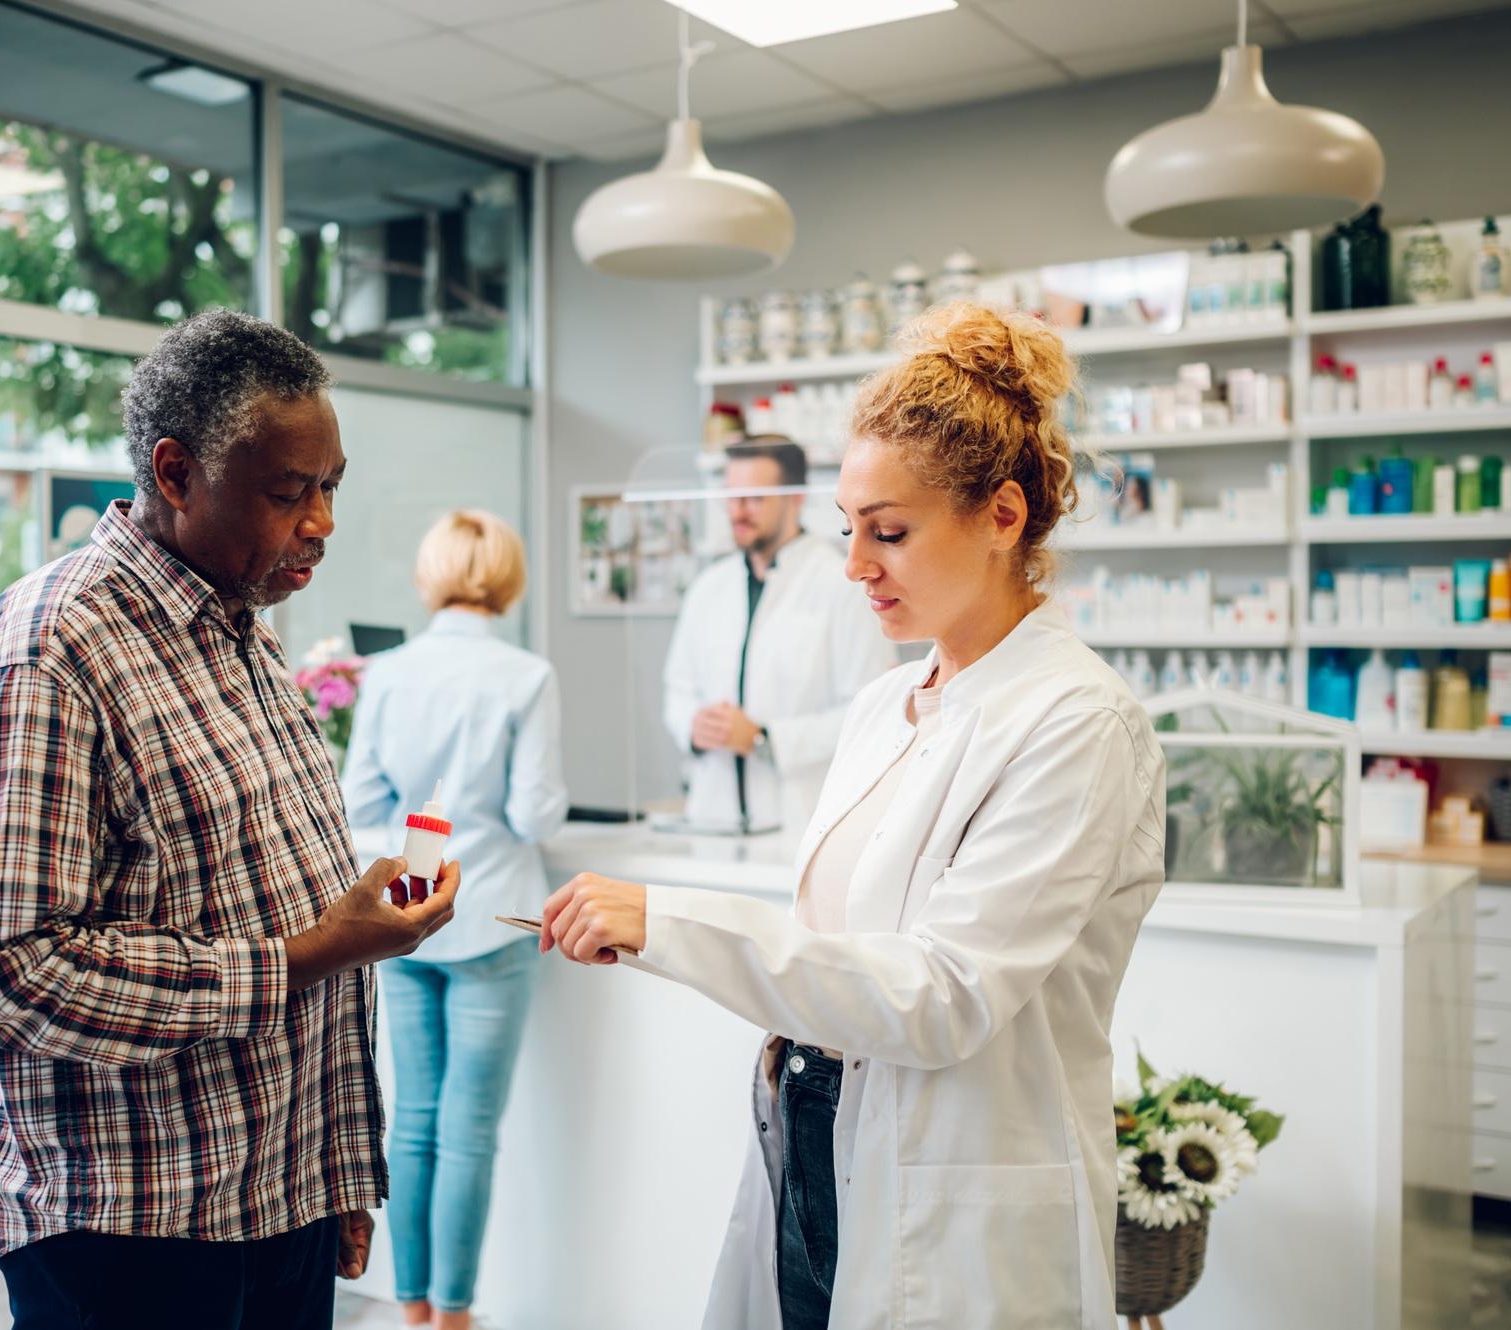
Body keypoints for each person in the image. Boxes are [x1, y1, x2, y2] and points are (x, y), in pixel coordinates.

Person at [540, 303, 1167, 1329]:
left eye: (889, 531)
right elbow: (836, 946)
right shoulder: (885, 705)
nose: (853, 565)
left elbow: (943, 992)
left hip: (954, 1195)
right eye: (846, 530)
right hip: (814, 1149)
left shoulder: (1076, 722)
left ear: (1001, 514)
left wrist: (673, 924)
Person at [0, 309, 461, 1330]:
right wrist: (306, 954)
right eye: (287, 491)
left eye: (329, 487)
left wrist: (334, 1169)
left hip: (274, 1206)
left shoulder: (245, 637)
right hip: (127, 1236)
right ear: (174, 473)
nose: (321, 521)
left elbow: (282, 895)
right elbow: (6, 970)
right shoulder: (50, 650)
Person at [342, 510, 567, 1330]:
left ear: (430, 574)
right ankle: (456, 1317)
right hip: (494, 917)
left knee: (416, 1122)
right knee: (469, 1130)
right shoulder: (526, 675)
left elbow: (361, 802)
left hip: (407, 918)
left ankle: (409, 1308)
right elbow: (535, 815)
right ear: (507, 577)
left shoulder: (389, 672)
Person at [662, 436, 893, 834]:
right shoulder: (708, 588)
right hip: (712, 820)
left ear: (796, 497)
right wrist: (693, 727)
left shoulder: (841, 585)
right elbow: (677, 690)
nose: (739, 511)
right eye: (732, 497)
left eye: (755, 498)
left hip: (800, 820)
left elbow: (869, 711)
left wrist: (764, 739)